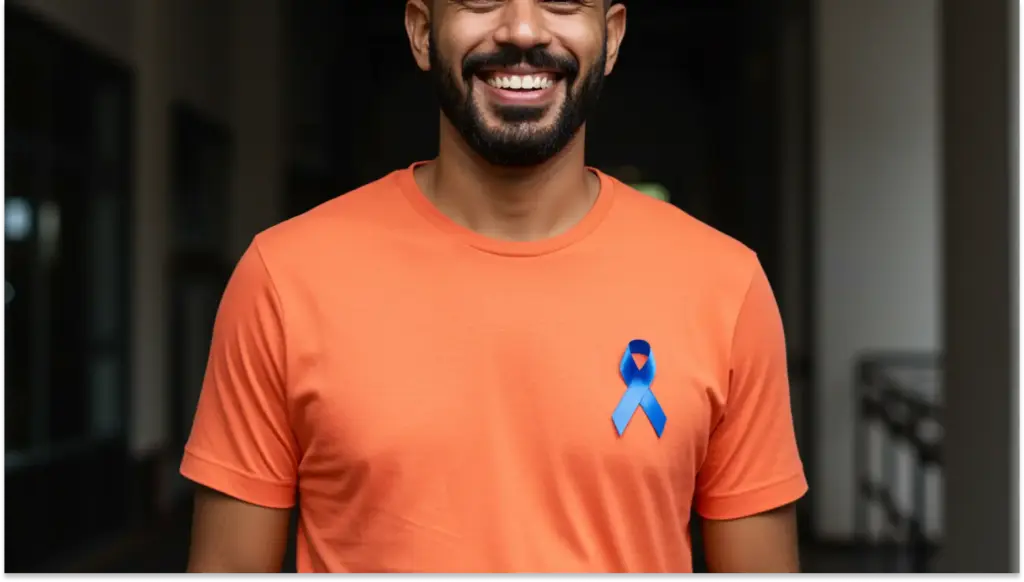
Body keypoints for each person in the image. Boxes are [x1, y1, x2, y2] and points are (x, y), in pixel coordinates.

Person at [182, 0, 807, 574]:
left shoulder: (723, 285)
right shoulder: (285, 278)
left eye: (562, 2)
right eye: (481, 0)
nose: (523, 30)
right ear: (423, 32)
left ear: (611, 38)